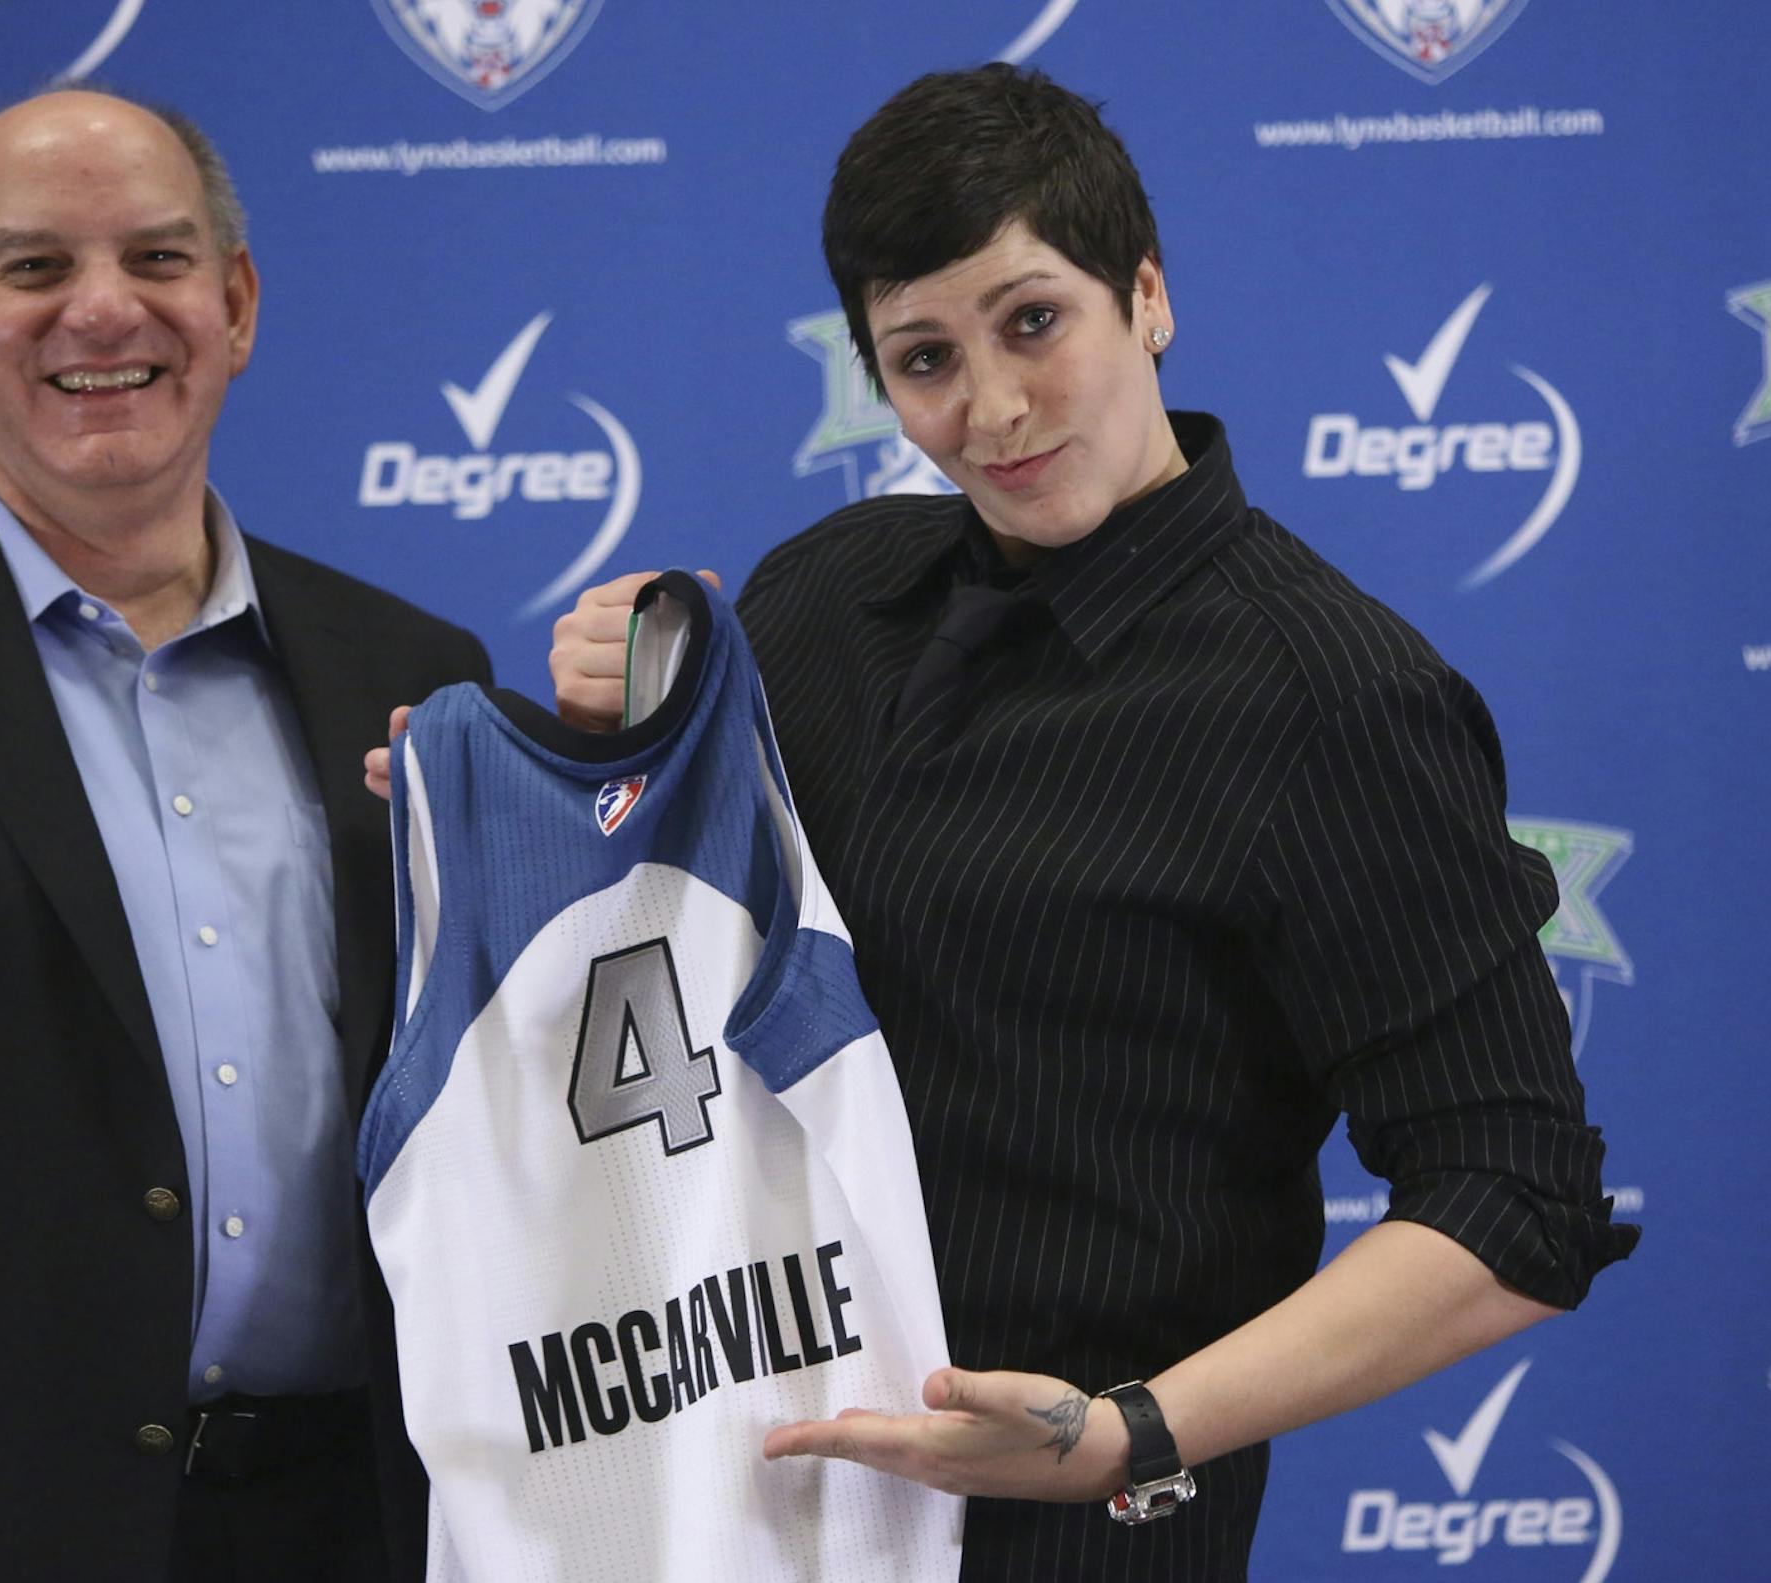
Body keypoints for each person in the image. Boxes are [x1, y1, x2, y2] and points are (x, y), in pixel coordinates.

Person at [551, 64, 1635, 1582]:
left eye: (1033, 322)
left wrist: (1130, 1431)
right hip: (719, 1505)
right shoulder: (820, 594)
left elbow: (1519, 1200)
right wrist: (559, 775)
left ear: (1146, 296)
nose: (990, 409)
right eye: (925, 357)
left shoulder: (1332, 694)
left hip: (1075, 1550)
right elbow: (650, 959)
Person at [0, 89, 489, 1581]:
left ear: (234, 305)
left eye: (160, 260)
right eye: (36, 267)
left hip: (363, 1520)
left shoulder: (420, 675)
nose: (104, 310)